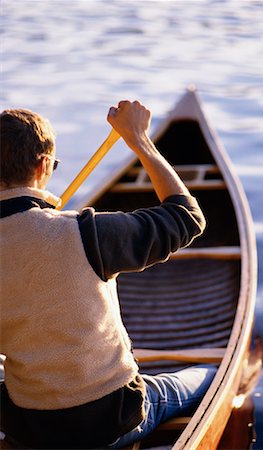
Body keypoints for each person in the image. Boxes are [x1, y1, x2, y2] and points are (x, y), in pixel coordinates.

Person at [0, 101, 216, 449]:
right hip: (110, 420)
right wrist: (138, 139)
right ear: (42, 165)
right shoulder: (86, 232)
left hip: (28, 430)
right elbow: (186, 217)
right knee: (211, 377)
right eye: (53, 166)